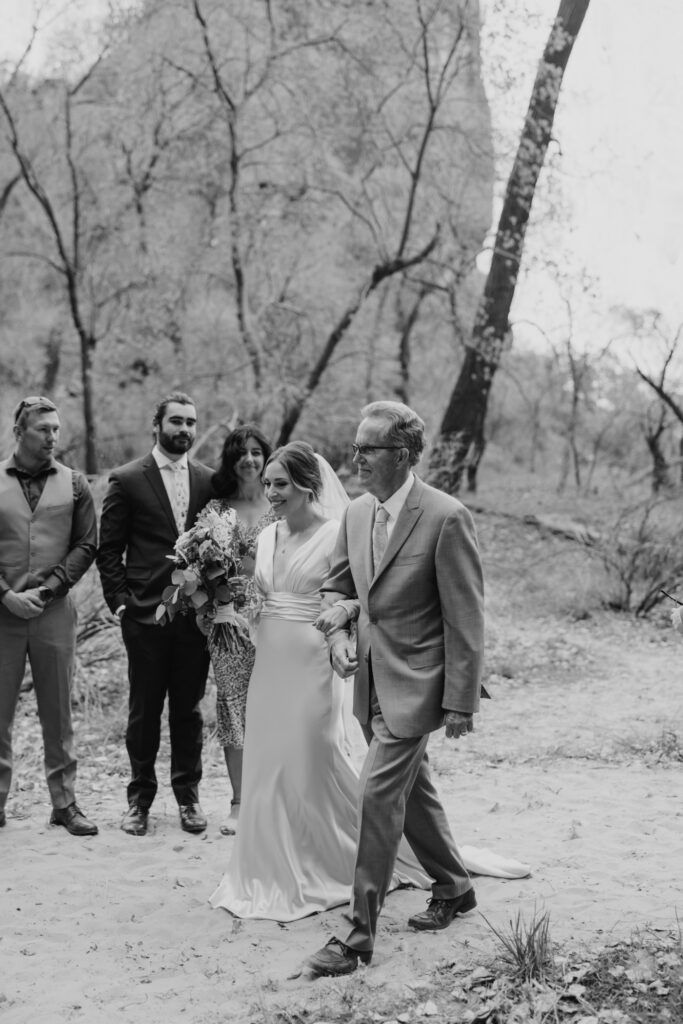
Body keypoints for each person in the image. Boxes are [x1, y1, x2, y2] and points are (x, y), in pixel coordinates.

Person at [209, 441, 429, 920]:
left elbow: (356, 598)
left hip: (315, 659)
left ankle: (345, 856)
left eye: (281, 484)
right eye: (267, 484)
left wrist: (342, 639)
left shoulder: (337, 533)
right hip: (268, 660)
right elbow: (259, 598)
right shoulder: (264, 537)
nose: (270, 493)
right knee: (267, 762)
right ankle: (267, 869)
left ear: (309, 485)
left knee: (311, 756)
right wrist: (221, 600)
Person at [305, 400, 485, 978]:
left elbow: (465, 616)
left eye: (367, 449)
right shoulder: (356, 514)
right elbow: (338, 586)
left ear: (401, 455)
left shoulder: (446, 516)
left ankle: (358, 936)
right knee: (416, 793)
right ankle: (455, 887)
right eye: (355, 446)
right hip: (368, 683)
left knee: (378, 796)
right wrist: (337, 630)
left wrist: (460, 698)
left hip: (420, 683)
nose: (354, 457)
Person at [97, 392, 214, 837]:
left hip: (194, 617)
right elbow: (109, 549)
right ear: (157, 425)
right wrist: (120, 601)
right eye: (177, 422)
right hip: (144, 614)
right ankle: (139, 801)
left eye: (191, 422)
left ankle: (188, 798)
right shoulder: (127, 479)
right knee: (144, 711)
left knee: (188, 710)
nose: (184, 430)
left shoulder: (207, 480)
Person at [0, 396, 98, 836]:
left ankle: (64, 803)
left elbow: (86, 544)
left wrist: (51, 588)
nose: (53, 437)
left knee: (57, 712)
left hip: (54, 613)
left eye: (57, 429)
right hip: (1, 615)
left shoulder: (75, 483)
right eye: (44, 430)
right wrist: (6, 596)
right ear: (19, 432)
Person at [201, 425, 274, 835]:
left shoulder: (281, 505)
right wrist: (208, 607)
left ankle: (271, 795)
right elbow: (201, 571)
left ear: (266, 457)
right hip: (228, 624)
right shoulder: (215, 511)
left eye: (256, 451)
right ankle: (239, 801)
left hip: (274, 619)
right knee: (231, 706)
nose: (249, 459)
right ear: (231, 461)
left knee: (272, 706)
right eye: (240, 453)